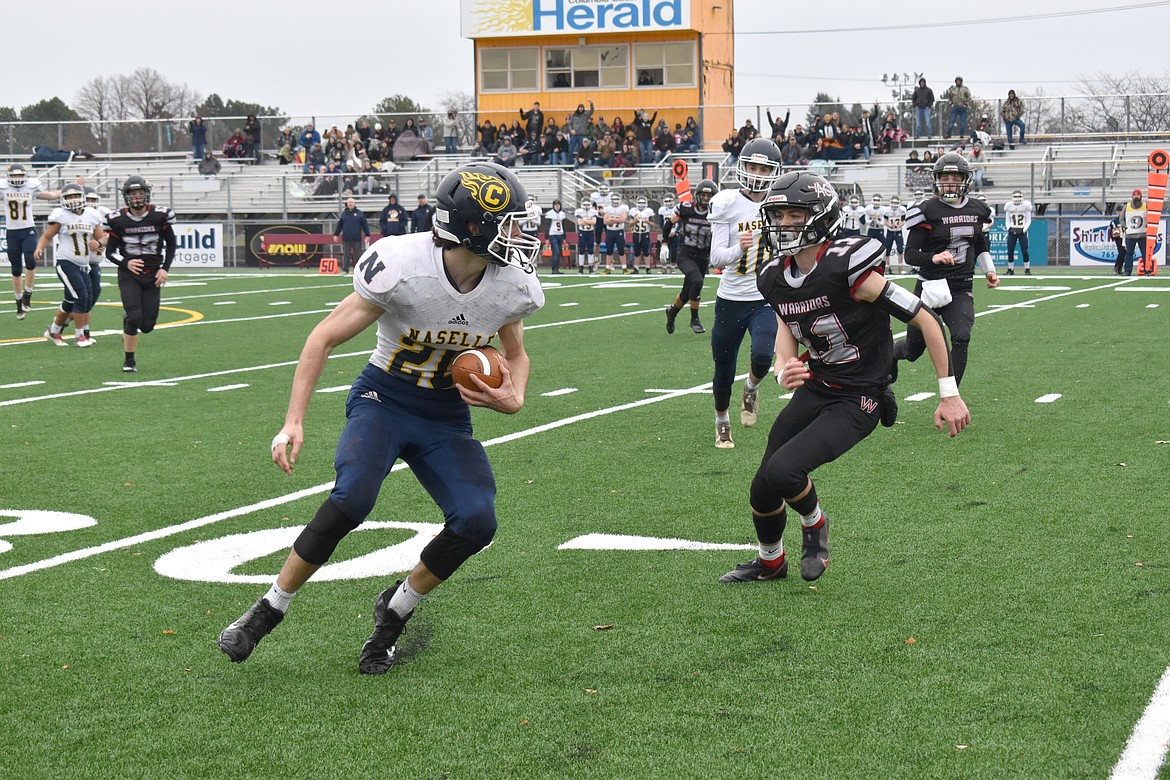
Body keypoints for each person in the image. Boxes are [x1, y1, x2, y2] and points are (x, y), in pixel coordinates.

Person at [216, 162, 545, 675]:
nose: (521, 236)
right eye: (509, 223)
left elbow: (516, 353)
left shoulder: (510, 286)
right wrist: (293, 421)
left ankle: (394, 612)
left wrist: (515, 395)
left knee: (477, 521)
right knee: (353, 497)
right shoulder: (403, 265)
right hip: (384, 400)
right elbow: (322, 337)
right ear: (472, 226)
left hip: (445, 415)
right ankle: (268, 608)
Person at [719, 169, 970, 584]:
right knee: (762, 487)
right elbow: (786, 331)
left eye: (794, 215)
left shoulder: (850, 268)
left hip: (859, 397)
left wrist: (949, 393)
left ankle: (815, 525)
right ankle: (770, 562)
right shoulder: (775, 276)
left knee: (784, 472)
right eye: (778, 215)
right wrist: (784, 369)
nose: (783, 224)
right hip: (819, 385)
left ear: (821, 216)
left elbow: (926, 321)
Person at [892, 152, 998, 387]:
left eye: (955, 176)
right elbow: (910, 255)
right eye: (945, 176)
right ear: (937, 178)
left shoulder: (978, 209)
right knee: (912, 350)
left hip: (960, 286)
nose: (950, 181)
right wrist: (934, 257)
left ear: (965, 180)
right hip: (928, 287)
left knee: (961, 336)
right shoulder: (926, 210)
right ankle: (891, 355)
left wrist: (989, 270)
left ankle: (952, 394)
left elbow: (979, 243)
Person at [706, 138, 783, 449]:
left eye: (764, 168)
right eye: (752, 166)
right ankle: (722, 422)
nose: (757, 173)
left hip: (764, 296)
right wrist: (741, 248)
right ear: (742, 166)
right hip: (731, 299)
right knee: (723, 370)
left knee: (763, 355)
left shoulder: (779, 202)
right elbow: (716, 257)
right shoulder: (727, 203)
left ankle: (751, 388)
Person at [103, 175, 176, 373]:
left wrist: (165, 268)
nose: (137, 197)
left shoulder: (160, 215)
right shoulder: (117, 219)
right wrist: (126, 262)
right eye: (133, 194)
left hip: (152, 274)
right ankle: (129, 360)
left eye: (140, 193)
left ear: (147, 194)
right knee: (134, 316)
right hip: (129, 276)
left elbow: (171, 244)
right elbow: (109, 253)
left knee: (147, 325)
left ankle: (128, 324)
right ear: (126, 197)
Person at [34, 183, 104, 347]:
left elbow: (102, 237)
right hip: (66, 263)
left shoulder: (92, 215)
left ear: (82, 197)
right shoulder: (61, 215)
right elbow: (47, 235)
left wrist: (98, 243)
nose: (72, 200)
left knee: (71, 301)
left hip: (84, 265)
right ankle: (80, 336)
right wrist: (39, 248)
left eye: (75, 196)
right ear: (63, 200)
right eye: (68, 197)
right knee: (81, 297)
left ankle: (54, 330)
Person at [3, 163, 63, 320]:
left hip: (28, 229)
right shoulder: (3, 187)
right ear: (9, 176)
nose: (17, 178)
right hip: (12, 232)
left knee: (31, 259)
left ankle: (28, 293)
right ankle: (18, 302)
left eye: (19, 175)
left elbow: (49, 195)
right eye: (14, 175)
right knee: (16, 268)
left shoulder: (31, 186)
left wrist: (70, 190)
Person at [665, 179, 718, 334]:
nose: (706, 199)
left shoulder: (716, 213)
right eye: (703, 195)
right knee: (697, 281)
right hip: (686, 254)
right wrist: (664, 242)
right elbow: (669, 223)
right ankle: (694, 318)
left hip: (703, 257)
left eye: (709, 196)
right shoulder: (686, 209)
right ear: (697, 195)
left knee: (687, 291)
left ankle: (672, 312)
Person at [334, 197, 370, 274]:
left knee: (358, 256)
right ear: (347, 204)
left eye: (352, 202)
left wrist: (367, 235)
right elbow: (339, 225)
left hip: (357, 239)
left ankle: (359, 271)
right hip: (346, 239)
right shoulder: (344, 214)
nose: (350, 204)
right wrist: (336, 234)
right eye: (349, 202)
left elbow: (365, 225)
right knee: (346, 255)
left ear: (354, 203)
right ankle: (345, 270)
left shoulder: (360, 214)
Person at [1002, 191, 1034, 275]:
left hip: (1022, 231)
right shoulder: (1009, 206)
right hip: (1012, 231)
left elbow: (1028, 220)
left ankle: (1027, 269)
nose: (1017, 199)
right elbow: (1007, 220)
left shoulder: (1026, 206)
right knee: (1010, 251)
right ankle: (1010, 269)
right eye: (1015, 197)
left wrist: (1024, 229)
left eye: (1019, 196)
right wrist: (1009, 228)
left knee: (1024, 251)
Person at [601, 191, 630, 273]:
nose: (615, 201)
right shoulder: (608, 208)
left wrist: (612, 219)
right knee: (609, 250)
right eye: (613, 199)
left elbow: (623, 219)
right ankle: (607, 268)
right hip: (610, 232)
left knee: (621, 250)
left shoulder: (623, 208)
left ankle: (624, 268)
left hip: (619, 231)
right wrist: (617, 220)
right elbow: (605, 222)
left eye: (617, 199)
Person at [1122, 188, 1147, 276]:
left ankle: (1147, 270)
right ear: (1132, 196)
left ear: (1141, 196)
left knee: (1145, 253)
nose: (1136, 197)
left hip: (1142, 234)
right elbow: (1122, 218)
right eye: (1135, 195)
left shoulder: (1145, 206)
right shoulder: (1127, 206)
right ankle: (1127, 270)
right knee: (1129, 253)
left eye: (1138, 195)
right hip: (1130, 234)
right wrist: (1124, 226)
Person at [628, 196, 656, 273]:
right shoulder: (633, 211)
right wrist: (635, 220)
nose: (641, 205)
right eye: (640, 203)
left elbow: (653, 225)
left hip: (645, 233)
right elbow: (630, 224)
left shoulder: (649, 211)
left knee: (646, 252)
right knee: (636, 252)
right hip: (636, 233)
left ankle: (648, 268)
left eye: (643, 203)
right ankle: (636, 268)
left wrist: (647, 221)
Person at [881, 195, 907, 274]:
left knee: (900, 249)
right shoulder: (887, 210)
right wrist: (890, 225)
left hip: (898, 231)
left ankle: (900, 268)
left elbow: (903, 221)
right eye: (893, 202)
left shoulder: (902, 210)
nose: (894, 204)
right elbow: (885, 221)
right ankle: (887, 268)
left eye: (896, 202)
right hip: (890, 232)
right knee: (887, 250)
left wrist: (899, 225)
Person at [573, 196, 598, 273]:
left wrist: (584, 219)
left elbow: (594, 222)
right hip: (582, 232)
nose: (586, 206)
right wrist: (589, 220)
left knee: (591, 250)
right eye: (585, 204)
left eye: (588, 204)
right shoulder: (579, 211)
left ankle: (591, 267)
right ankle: (581, 268)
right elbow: (579, 223)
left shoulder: (593, 211)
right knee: (581, 250)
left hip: (590, 232)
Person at [544, 199, 567, 273]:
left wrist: (564, 237)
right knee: (556, 251)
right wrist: (546, 237)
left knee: (559, 252)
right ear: (553, 206)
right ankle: (554, 268)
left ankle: (557, 268)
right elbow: (547, 225)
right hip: (553, 234)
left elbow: (563, 225)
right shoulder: (550, 213)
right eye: (556, 205)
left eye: (558, 205)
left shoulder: (562, 214)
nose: (557, 206)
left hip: (560, 234)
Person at [657, 192, 679, 273]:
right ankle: (664, 268)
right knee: (663, 252)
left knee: (674, 251)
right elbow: (661, 223)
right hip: (666, 234)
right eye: (666, 201)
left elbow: (679, 223)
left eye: (670, 201)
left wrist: (675, 231)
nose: (668, 203)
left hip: (674, 233)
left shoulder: (677, 208)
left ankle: (672, 268)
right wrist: (665, 232)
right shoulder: (662, 210)